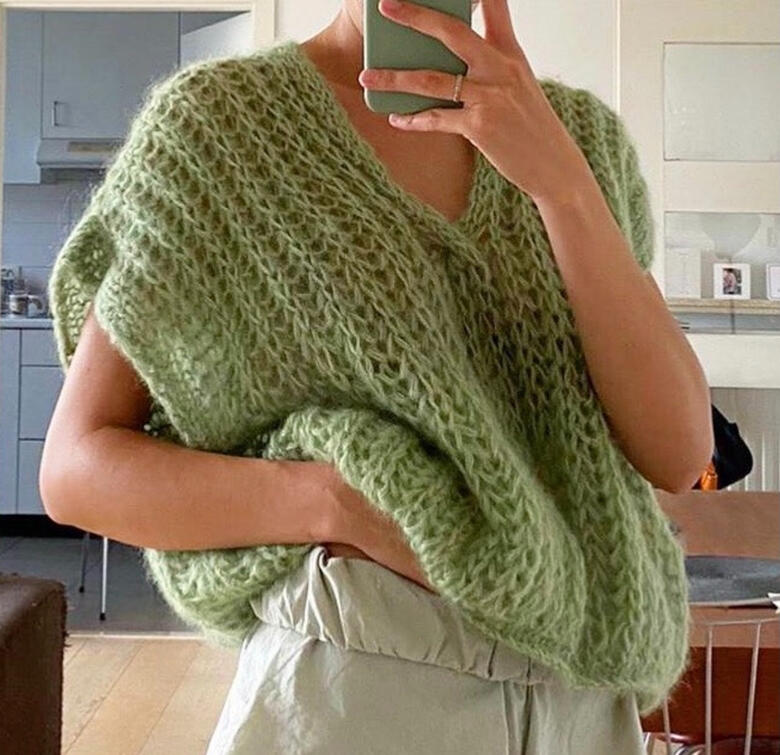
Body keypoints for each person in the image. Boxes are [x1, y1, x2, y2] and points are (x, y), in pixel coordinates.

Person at [42, 0, 713, 752]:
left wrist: (564, 188)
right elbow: (77, 469)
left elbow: (679, 451)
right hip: (359, 681)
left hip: (583, 704)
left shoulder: (578, 137)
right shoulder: (216, 130)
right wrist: (336, 502)